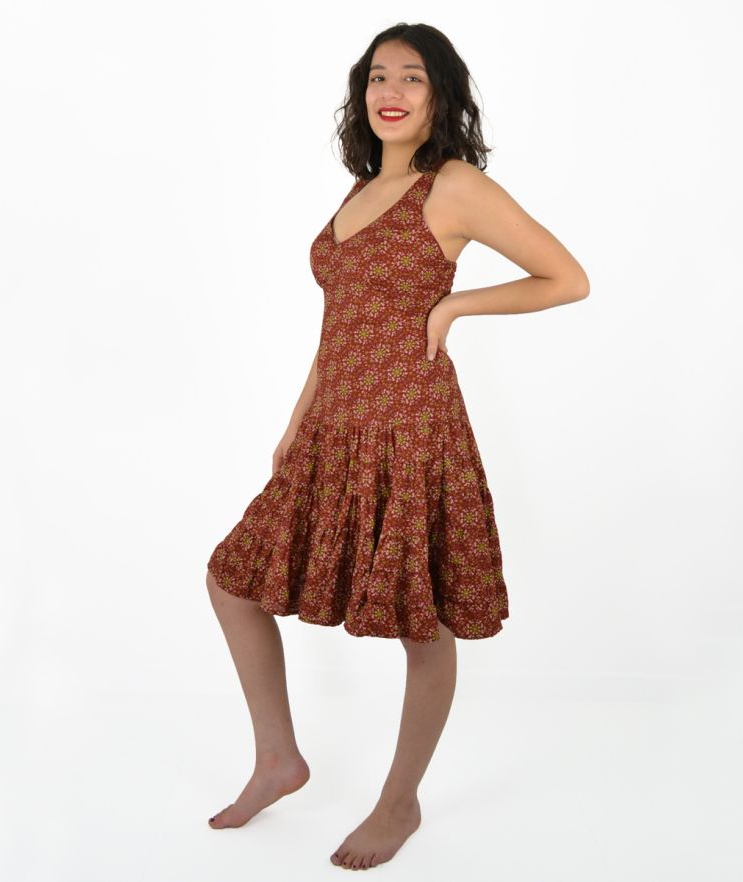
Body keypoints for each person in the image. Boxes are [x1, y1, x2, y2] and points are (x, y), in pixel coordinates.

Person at [204, 22, 589, 871]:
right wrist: (297, 419)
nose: (392, 91)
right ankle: (279, 759)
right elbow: (338, 321)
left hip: (410, 427)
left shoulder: (452, 185)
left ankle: (399, 801)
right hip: (333, 426)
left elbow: (567, 278)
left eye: (413, 77)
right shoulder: (358, 190)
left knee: (425, 621)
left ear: (440, 95)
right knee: (231, 581)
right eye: (378, 75)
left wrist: (454, 306)